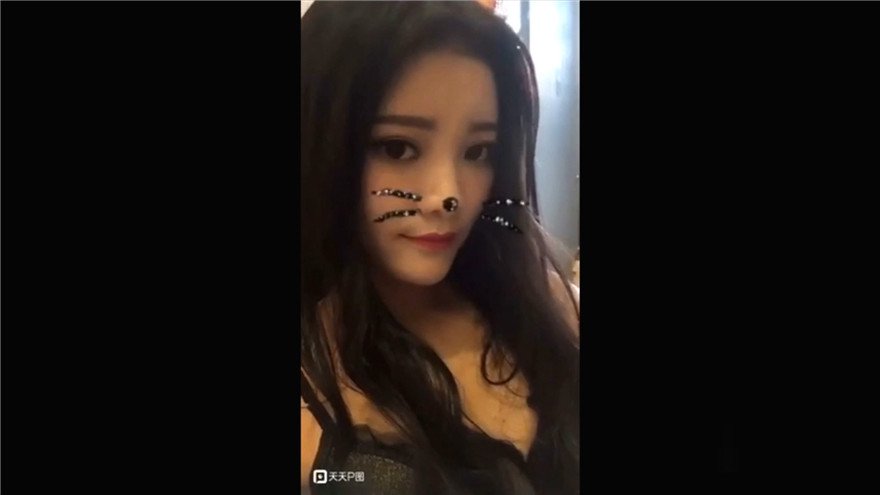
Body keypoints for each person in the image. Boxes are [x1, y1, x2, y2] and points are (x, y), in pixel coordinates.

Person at [300, 2, 580, 494]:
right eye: (397, 148)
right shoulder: (313, 379)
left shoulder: (545, 300)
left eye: (478, 152)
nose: (447, 196)